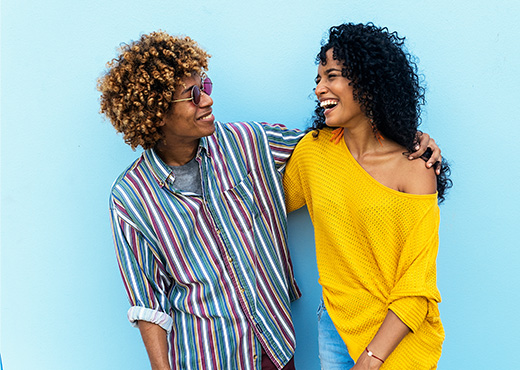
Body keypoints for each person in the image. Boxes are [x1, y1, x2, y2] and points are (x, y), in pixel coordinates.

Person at [97, 30, 442, 370]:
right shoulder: (131, 197)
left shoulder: (250, 143)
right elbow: (148, 304)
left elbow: (346, 149)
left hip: (275, 346)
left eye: (205, 86)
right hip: (206, 353)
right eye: (192, 95)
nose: (207, 99)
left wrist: (408, 135)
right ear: (156, 112)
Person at [283, 23, 452, 370]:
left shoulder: (414, 166)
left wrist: (372, 358)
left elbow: (416, 284)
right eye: (317, 79)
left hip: (400, 337)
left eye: (332, 76)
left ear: (368, 82)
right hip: (335, 327)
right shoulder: (314, 153)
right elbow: (265, 202)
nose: (320, 89)